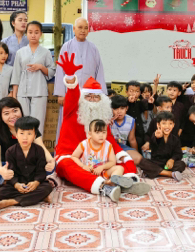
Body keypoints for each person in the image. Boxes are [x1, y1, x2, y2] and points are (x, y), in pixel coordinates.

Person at [55, 52, 150, 201]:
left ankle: (128, 181)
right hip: (72, 154)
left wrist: (122, 156)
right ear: (82, 98)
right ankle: (104, 187)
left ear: (101, 100)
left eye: (96, 97)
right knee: (65, 165)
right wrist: (71, 77)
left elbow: (109, 140)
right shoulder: (72, 110)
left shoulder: (102, 116)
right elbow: (72, 94)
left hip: (99, 159)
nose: (92, 100)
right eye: (88, 96)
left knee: (125, 159)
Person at [0, 97, 55, 191]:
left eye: (15, 111)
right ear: (1, 117)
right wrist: (1, 170)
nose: (12, 116)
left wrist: (51, 161)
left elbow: (42, 148)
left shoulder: (30, 128)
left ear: (21, 110)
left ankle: (6, 182)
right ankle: (25, 181)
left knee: (51, 165)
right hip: (9, 167)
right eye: (6, 113)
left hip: (29, 165)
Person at [54, 18, 106, 139]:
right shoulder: (66, 47)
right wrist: (60, 94)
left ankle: (87, 147)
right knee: (69, 122)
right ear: (74, 29)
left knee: (88, 122)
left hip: (89, 94)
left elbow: (99, 71)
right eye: (80, 27)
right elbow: (60, 70)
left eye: (85, 28)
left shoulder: (93, 48)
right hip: (70, 93)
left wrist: (101, 94)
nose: (83, 30)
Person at [0, 116, 55, 211]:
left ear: (35, 136)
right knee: (1, 192)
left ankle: (11, 202)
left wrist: (36, 182)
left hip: (34, 183)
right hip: (19, 183)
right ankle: (40, 197)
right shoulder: (10, 151)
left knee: (47, 187)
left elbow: (41, 171)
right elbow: (11, 173)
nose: (25, 137)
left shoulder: (39, 150)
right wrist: (16, 185)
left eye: (29, 134)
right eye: (22, 133)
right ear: (16, 135)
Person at [10, 21, 55, 130]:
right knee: (22, 123)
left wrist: (41, 67)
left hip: (39, 91)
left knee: (38, 123)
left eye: (36, 32)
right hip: (22, 93)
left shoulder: (46, 52)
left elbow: (52, 71)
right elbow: (16, 74)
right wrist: (14, 96)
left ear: (41, 34)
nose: (33, 35)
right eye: (30, 32)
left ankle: (37, 141)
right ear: (26, 33)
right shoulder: (20, 52)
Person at [138, 112, 186, 181]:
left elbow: (178, 153)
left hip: (168, 164)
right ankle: (170, 174)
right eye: (164, 123)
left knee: (181, 164)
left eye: (170, 123)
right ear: (158, 125)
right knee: (143, 162)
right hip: (156, 162)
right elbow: (155, 140)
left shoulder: (175, 139)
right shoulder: (155, 135)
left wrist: (172, 159)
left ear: (173, 125)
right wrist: (158, 137)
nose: (167, 126)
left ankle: (155, 172)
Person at [110, 95, 142, 164]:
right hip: (109, 147)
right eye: (116, 109)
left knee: (138, 158)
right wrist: (107, 124)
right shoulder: (108, 120)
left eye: (122, 108)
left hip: (122, 147)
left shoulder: (130, 120)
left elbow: (132, 140)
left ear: (126, 108)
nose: (119, 111)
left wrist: (136, 152)